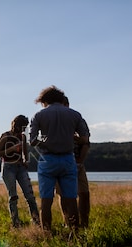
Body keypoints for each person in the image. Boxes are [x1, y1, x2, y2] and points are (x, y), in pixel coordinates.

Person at [29, 86, 90, 231]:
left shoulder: (39, 115)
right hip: (69, 159)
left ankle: (46, 234)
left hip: (47, 160)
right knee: (70, 199)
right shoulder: (74, 115)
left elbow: (32, 140)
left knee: (46, 200)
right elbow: (84, 139)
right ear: (61, 99)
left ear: (45, 101)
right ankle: (75, 233)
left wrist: (46, 143)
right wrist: (69, 138)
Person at [0, 115, 40, 228]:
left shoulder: (23, 137)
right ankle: (15, 222)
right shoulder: (5, 136)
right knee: (13, 196)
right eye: (21, 127)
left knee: (30, 196)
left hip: (20, 168)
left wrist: (26, 161)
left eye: (24, 127)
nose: (23, 129)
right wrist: (13, 148)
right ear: (16, 125)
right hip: (8, 167)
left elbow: (25, 153)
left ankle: (36, 221)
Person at [56, 96, 91, 228]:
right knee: (63, 195)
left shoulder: (76, 120)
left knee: (84, 193)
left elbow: (86, 142)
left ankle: (84, 223)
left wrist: (80, 161)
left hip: (77, 162)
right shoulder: (55, 122)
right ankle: (68, 223)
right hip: (60, 162)